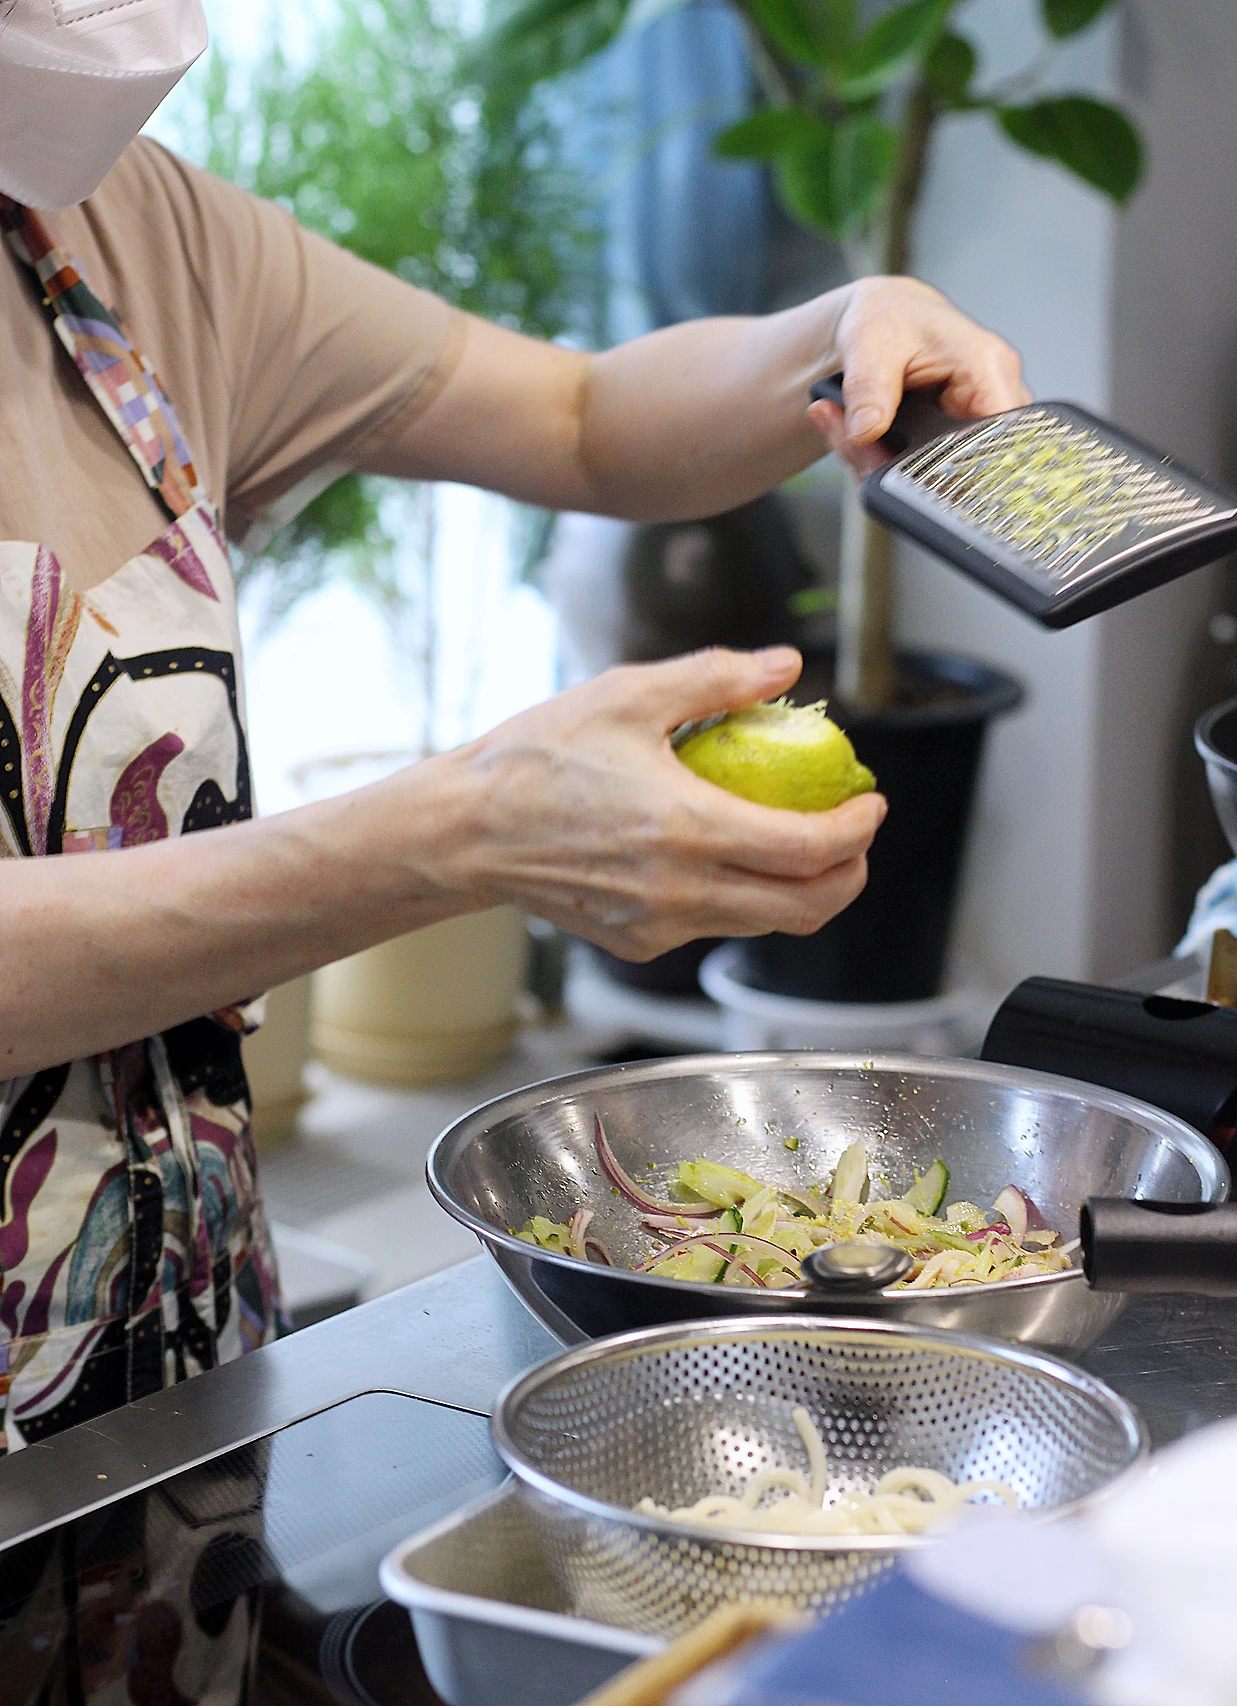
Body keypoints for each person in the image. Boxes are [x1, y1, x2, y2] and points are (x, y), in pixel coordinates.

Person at [0, 0, 1031, 1451]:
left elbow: (580, 415)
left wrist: (844, 338)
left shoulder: (118, 236)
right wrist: (452, 834)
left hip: (174, 1360)